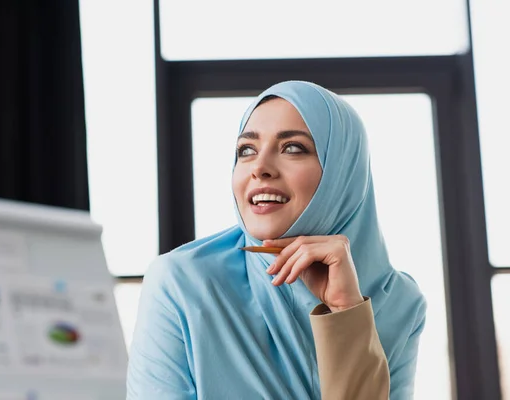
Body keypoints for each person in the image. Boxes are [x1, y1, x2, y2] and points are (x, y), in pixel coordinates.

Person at [126, 80, 427, 399]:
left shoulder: (399, 302)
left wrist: (345, 313)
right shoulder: (182, 282)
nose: (260, 168)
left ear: (342, 171)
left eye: (293, 148)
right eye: (247, 150)